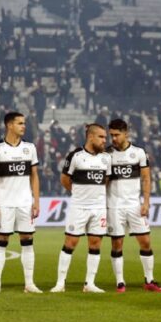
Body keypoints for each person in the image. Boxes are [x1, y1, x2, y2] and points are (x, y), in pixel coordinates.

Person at [106, 119, 161, 293]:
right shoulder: (106, 154)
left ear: (126, 133)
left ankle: (149, 280)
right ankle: (120, 283)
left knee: (145, 241)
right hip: (114, 206)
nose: (114, 139)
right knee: (117, 244)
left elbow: (146, 178)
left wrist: (146, 202)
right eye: (111, 135)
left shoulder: (139, 153)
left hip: (134, 205)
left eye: (117, 135)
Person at [51, 124, 111, 293]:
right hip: (79, 207)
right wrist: (77, 192)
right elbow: (64, 179)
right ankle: (60, 283)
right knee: (71, 242)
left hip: (99, 208)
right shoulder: (75, 156)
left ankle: (89, 284)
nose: (104, 140)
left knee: (95, 243)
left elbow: (106, 180)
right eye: (101, 137)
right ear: (90, 137)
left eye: (105, 137)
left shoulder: (106, 158)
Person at [0, 112, 41, 294]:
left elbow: (34, 176)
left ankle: (29, 283)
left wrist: (36, 201)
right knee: (1, 241)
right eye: (20, 123)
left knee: (27, 241)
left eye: (24, 123)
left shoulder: (30, 148)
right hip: (4, 204)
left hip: (25, 203)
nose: (23, 126)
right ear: (9, 125)